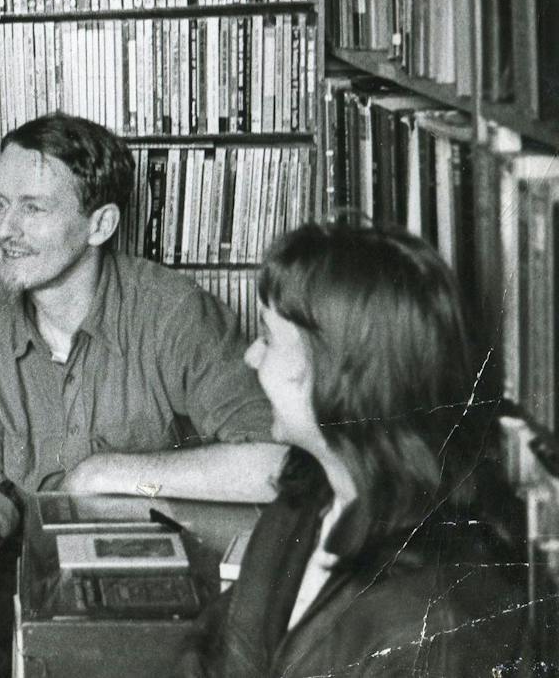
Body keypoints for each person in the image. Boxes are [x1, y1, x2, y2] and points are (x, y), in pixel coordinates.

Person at [0, 113, 287, 678]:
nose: (4, 230)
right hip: (17, 561)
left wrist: (109, 474)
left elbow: (278, 463)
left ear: (100, 224)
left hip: (148, 563)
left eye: (33, 208)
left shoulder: (173, 314)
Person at [181, 221, 529, 676]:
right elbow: (210, 653)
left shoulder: (431, 615)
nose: (250, 357)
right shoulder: (301, 507)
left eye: (267, 339)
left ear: (342, 374)